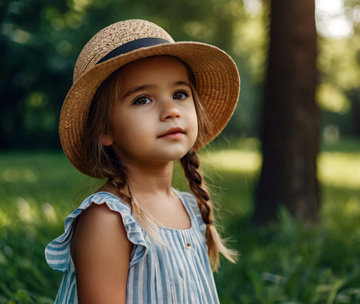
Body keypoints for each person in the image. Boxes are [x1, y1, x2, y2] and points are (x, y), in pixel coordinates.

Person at [45, 19, 240, 303]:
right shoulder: (108, 220)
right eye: (142, 100)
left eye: (179, 94)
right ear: (105, 130)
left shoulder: (190, 207)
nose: (171, 110)